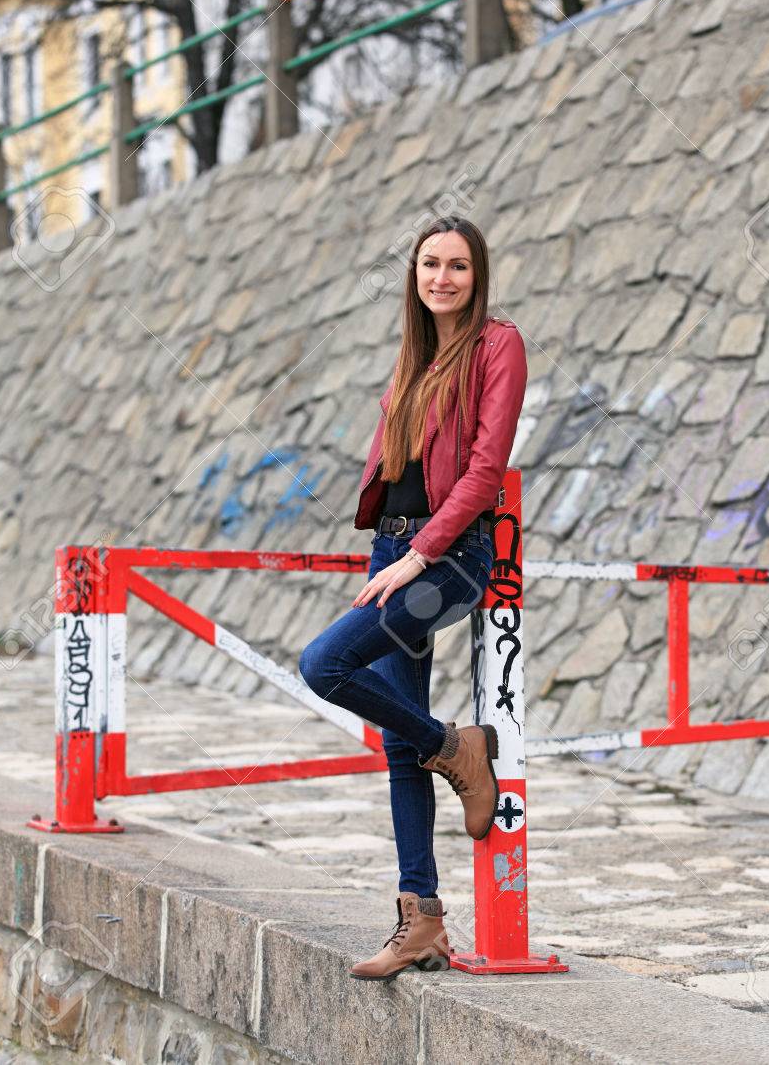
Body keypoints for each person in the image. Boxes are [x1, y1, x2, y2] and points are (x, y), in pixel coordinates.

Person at [298, 216, 528, 981]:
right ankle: (420, 920)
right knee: (399, 744)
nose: (442, 278)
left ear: (477, 275)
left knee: (324, 664)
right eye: (430, 264)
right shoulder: (415, 354)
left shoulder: (498, 345)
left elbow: (486, 468)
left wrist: (423, 553)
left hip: (449, 562)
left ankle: (457, 748)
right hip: (395, 549)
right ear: (415, 275)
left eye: (457, 266)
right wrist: (395, 550)